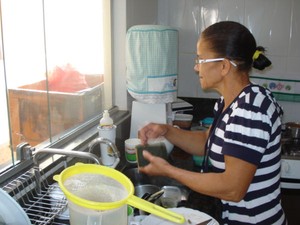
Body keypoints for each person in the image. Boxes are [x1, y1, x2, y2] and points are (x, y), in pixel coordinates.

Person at [138, 21, 286, 225]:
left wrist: (169, 171)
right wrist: (166, 130)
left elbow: (233, 188)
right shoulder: (231, 102)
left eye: (200, 59)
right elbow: (207, 142)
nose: (196, 67)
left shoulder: (250, 110)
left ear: (224, 66)